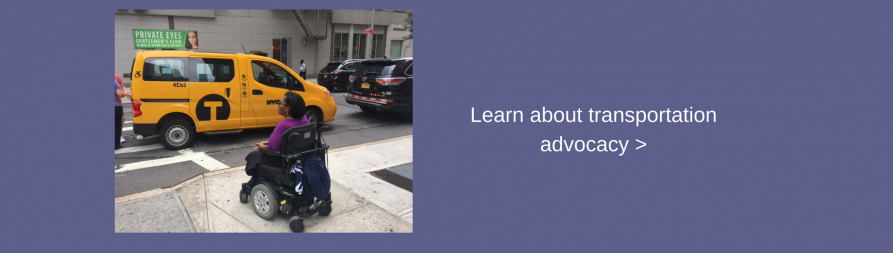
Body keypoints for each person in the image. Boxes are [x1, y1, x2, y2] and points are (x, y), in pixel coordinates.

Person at [245, 92, 310, 175]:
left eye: (280, 103)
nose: (278, 105)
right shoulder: (304, 119)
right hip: (300, 157)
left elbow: (272, 151)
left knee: (254, 155)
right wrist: (270, 143)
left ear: (288, 108)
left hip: (285, 161)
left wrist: (262, 147)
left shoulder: (283, 125)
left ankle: (256, 179)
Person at [115, 75, 130, 144]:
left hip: (117, 104)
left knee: (120, 121)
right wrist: (123, 94)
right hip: (116, 105)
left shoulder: (116, 77)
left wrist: (127, 93)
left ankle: (119, 136)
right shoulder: (114, 81)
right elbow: (120, 94)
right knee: (117, 123)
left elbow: (122, 86)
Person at [115, 78, 127, 150]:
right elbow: (120, 94)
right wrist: (124, 93)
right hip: (115, 106)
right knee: (117, 126)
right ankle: (116, 145)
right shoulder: (114, 82)